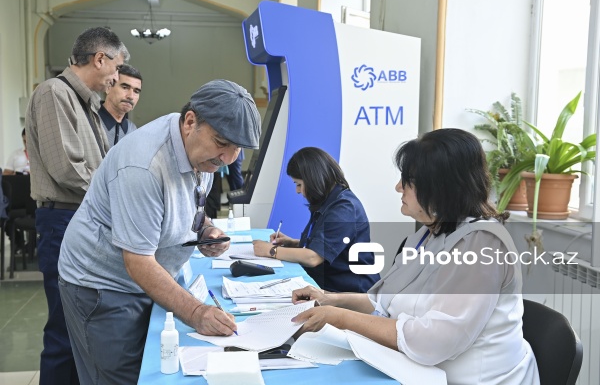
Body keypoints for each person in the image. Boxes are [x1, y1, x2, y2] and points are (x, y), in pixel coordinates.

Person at [290, 129, 540, 385]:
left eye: (408, 180)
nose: (398, 187)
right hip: (417, 372)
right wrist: (329, 299)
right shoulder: (427, 235)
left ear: (440, 187)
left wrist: (341, 317)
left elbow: (435, 341)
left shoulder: (483, 245)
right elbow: (383, 302)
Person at [58, 79, 261, 384]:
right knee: (118, 377)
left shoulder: (200, 152)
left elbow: (189, 206)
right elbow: (138, 261)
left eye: (237, 150)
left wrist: (205, 229)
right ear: (190, 121)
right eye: (222, 143)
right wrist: (196, 313)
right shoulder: (144, 166)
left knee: (151, 367)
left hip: (147, 276)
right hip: (103, 285)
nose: (227, 159)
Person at [25, 27, 128, 385]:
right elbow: (66, 167)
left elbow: (101, 165)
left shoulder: (86, 103)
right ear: (100, 59)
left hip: (79, 219)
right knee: (63, 330)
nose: (116, 79)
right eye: (116, 69)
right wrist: (116, 197)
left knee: (80, 326)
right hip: (62, 220)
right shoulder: (55, 93)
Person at [253, 147, 380, 293]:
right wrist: (293, 243)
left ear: (313, 179)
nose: (298, 191)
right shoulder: (328, 201)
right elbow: (328, 246)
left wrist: (271, 250)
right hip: (329, 285)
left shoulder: (344, 208)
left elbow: (313, 257)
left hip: (350, 292)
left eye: (299, 184)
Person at [99, 64, 142, 147]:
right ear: (108, 88)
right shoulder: (89, 121)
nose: (130, 96)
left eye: (136, 91)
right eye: (125, 87)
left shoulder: (132, 130)